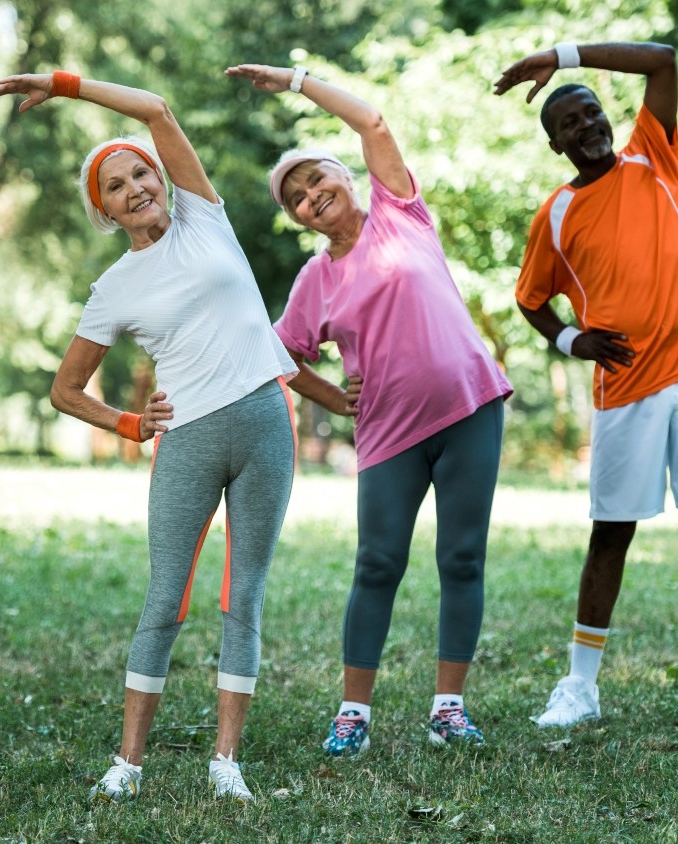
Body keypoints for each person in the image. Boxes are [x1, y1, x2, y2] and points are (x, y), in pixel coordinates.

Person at [0, 69, 299, 804]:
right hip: (186, 436)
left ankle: (226, 761)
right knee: (165, 599)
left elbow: (157, 107)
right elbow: (64, 390)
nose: (136, 188)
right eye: (116, 185)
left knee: (243, 597)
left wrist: (67, 85)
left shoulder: (205, 217)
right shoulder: (114, 287)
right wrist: (127, 424)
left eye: (140, 173)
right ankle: (128, 761)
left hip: (264, 421)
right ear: (104, 209)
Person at [226, 63, 512, 756]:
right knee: (377, 564)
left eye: (315, 179)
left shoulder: (401, 213)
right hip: (389, 434)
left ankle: (449, 707)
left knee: (462, 558)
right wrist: (333, 398)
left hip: (472, 407)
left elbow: (372, 122)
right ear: (296, 218)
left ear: (345, 177)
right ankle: (354, 711)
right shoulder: (315, 280)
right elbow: (281, 355)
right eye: (295, 197)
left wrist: (297, 81)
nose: (309, 196)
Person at [494, 41, 678, 727]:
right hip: (629, 387)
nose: (588, 125)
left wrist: (560, 56)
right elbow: (530, 299)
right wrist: (572, 340)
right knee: (611, 534)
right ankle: (580, 685)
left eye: (592, 110)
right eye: (570, 123)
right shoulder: (556, 214)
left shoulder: (653, 157)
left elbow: (664, 59)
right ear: (556, 144)